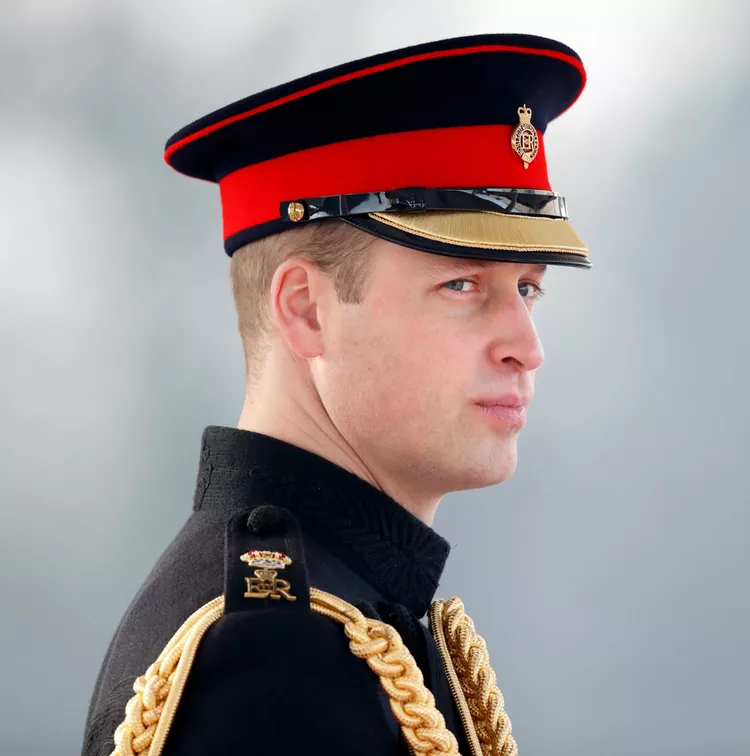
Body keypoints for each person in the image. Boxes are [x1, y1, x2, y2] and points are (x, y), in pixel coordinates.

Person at [81, 32, 590, 756]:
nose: (526, 347)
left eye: (528, 289)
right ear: (306, 310)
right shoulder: (278, 651)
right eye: (462, 284)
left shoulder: (337, 613)